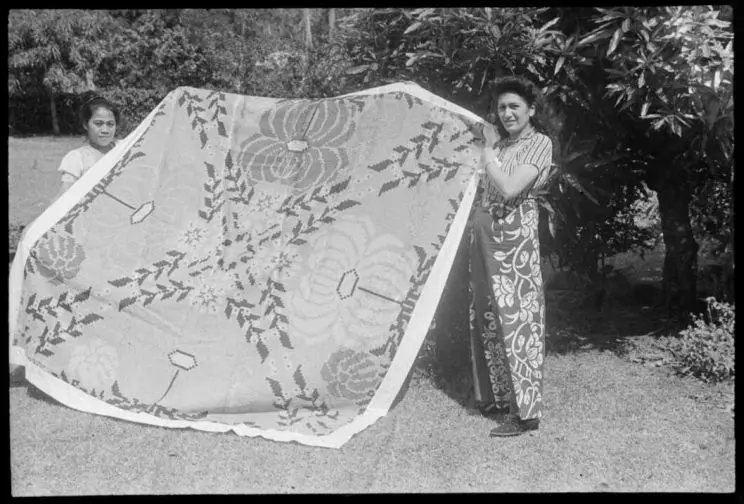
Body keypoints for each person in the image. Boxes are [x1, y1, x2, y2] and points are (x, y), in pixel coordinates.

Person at [469, 76, 555, 437]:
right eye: (502, 107)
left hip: (515, 247)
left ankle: (527, 412)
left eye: (514, 106)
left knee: (520, 321)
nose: (507, 113)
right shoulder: (501, 146)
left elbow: (508, 188)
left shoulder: (539, 144)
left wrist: (486, 154)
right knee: (487, 316)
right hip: (486, 242)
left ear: (531, 110)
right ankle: (498, 398)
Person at [50, 95, 121, 204]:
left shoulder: (124, 148)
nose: (105, 130)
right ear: (85, 124)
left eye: (110, 124)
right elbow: (64, 193)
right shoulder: (76, 158)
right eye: (98, 124)